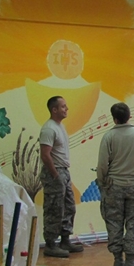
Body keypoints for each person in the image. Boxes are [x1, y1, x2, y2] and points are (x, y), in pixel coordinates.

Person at [97, 102, 134, 266]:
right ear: (130, 116)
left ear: (114, 119)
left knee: (113, 223)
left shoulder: (108, 137)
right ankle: (131, 261)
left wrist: (102, 184)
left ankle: (117, 261)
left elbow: (102, 165)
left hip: (114, 186)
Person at [39, 96, 84, 257]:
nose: (67, 109)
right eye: (63, 106)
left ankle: (65, 240)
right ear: (54, 110)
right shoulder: (49, 129)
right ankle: (51, 244)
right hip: (55, 172)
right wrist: (55, 175)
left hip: (64, 171)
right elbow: (45, 155)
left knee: (69, 206)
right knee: (54, 208)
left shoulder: (60, 126)